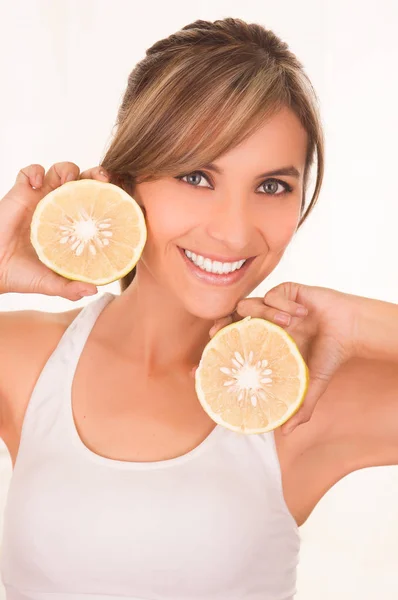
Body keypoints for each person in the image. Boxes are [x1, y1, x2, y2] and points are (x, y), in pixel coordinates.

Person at [0, 16, 397, 600]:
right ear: (123, 183)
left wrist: (364, 323)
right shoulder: (27, 361)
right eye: (195, 176)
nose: (234, 233)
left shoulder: (309, 397)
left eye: (271, 187)